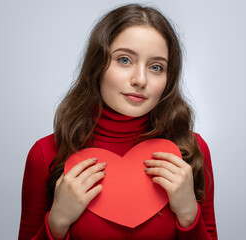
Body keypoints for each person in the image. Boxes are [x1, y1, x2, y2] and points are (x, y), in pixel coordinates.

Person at [18, 3, 217, 240]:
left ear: (168, 78)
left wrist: (188, 214)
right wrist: (57, 223)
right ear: (97, 65)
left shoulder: (190, 151)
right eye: (124, 60)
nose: (140, 79)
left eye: (156, 67)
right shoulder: (46, 154)